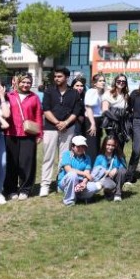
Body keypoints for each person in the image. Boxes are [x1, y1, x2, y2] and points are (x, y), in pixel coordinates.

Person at [40, 67, 83, 198]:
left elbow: (76, 112)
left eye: (59, 76)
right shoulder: (49, 91)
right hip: (50, 128)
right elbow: (46, 110)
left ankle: (61, 183)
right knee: (48, 157)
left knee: (64, 158)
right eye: (55, 76)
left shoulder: (74, 93)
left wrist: (65, 123)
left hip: (68, 128)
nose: (56, 79)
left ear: (66, 77)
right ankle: (45, 185)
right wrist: (58, 123)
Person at [4, 74, 43, 200]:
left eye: (28, 82)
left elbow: (38, 116)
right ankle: (11, 189)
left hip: (29, 134)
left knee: (27, 163)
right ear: (17, 82)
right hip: (10, 133)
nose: (26, 85)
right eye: (23, 82)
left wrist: (39, 134)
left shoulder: (34, 97)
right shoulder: (9, 96)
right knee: (11, 163)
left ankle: (25, 189)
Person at [58, 136, 111, 206]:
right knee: (72, 175)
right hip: (66, 181)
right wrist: (84, 174)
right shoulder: (67, 154)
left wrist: (84, 183)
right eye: (78, 146)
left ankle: (78, 196)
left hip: (80, 182)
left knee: (97, 186)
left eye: (83, 146)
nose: (80, 148)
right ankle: (69, 201)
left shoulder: (87, 158)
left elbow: (87, 172)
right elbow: (69, 170)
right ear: (72, 147)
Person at [93, 136, 127, 202]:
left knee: (122, 171)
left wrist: (116, 168)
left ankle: (118, 194)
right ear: (104, 144)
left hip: (116, 177)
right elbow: (95, 171)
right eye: (108, 145)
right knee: (108, 185)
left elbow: (124, 167)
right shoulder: (99, 157)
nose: (110, 147)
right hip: (105, 178)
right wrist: (104, 171)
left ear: (115, 146)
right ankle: (109, 192)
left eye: (112, 145)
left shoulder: (119, 155)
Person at [83, 74, 106, 159]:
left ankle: (96, 165)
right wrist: (92, 124)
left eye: (103, 81)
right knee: (92, 145)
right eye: (100, 81)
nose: (103, 82)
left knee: (97, 144)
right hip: (91, 119)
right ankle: (90, 166)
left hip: (99, 119)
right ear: (95, 83)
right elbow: (88, 108)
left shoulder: (103, 93)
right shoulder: (91, 92)